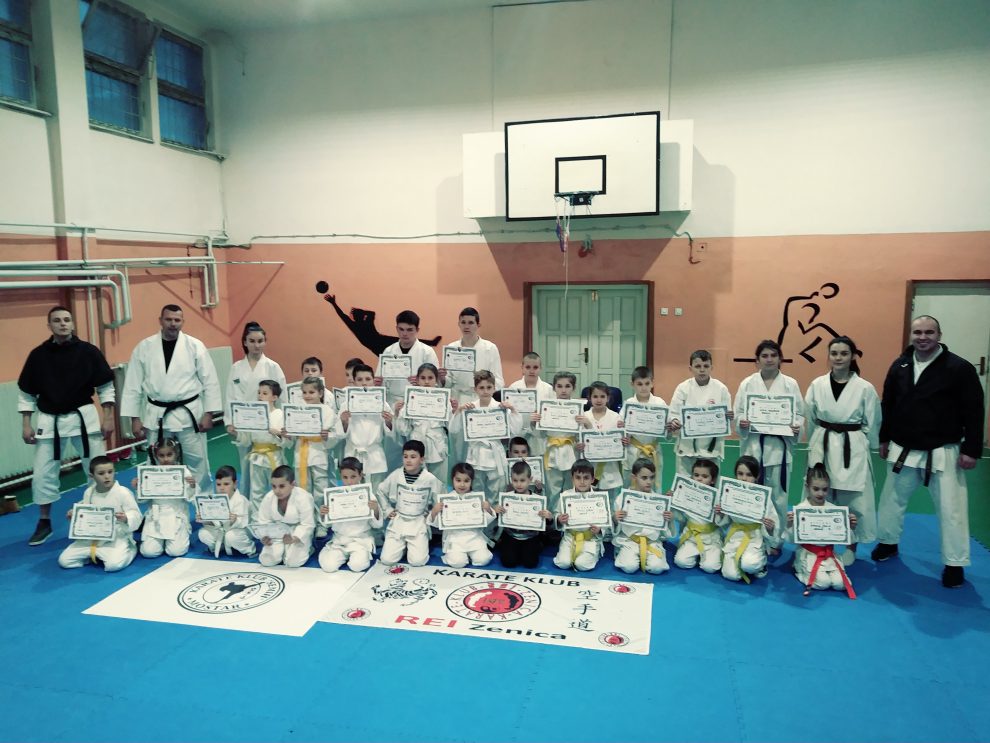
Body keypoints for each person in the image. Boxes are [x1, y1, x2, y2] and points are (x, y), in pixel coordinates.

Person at [872, 315, 985, 589]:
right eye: (918, 332)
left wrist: (971, 449)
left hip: (943, 448)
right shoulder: (900, 365)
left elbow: (974, 409)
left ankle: (955, 563)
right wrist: (884, 438)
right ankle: (888, 542)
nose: (923, 337)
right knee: (891, 501)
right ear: (911, 335)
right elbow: (888, 404)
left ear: (939, 335)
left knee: (951, 509)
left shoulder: (958, 368)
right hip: (903, 447)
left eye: (929, 332)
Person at [17, 306, 116, 545]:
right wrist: (26, 424)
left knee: (98, 468)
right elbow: (27, 393)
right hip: (49, 418)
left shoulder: (88, 352)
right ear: (49, 325)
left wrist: (108, 417)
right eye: (57, 320)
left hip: (83, 417)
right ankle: (44, 521)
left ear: (72, 324)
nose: (62, 324)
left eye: (67, 320)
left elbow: (105, 387)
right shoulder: (38, 355)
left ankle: (103, 512)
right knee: (42, 474)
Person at [120, 304, 222, 493]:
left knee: (197, 461)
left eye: (177, 320)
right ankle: (159, 504)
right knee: (156, 461)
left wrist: (209, 414)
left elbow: (210, 381)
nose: (173, 324)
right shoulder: (144, 347)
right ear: (160, 321)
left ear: (182, 322)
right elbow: (133, 385)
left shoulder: (195, 346)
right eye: (168, 319)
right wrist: (134, 418)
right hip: (157, 415)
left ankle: (204, 503)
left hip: (189, 415)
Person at [804, 336, 880, 566]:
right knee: (819, 493)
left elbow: (873, 421)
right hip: (823, 442)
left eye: (844, 353)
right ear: (829, 356)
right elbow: (810, 416)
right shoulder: (817, 384)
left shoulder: (865, 388)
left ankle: (850, 547)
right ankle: (820, 543)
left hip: (852, 445)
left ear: (853, 356)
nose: (838, 358)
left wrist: (865, 443)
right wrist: (814, 440)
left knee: (852, 498)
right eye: (834, 353)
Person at [734, 339, 804, 555]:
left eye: (773, 355)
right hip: (754, 448)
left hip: (779, 449)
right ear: (757, 360)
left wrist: (796, 426)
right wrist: (741, 422)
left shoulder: (790, 384)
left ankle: (776, 541)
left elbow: (800, 414)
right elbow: (738, 413)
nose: (769, 359)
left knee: (779, 497)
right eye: (764, 356)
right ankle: (752, 535)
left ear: (780, 359)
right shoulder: (747, 384)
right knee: (752, 495)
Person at [224, 322, 286, 498]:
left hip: (268, 423)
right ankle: (246, 502)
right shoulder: (236, 367)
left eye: (260, 341)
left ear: (265, 341)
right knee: (246, 466)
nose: (256, 345)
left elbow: (282, 396)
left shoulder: (272, 366)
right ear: (245, 342)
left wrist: (283, 423)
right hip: (243, 423)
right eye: (252, 341)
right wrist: (229, 422)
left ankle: (277, 500)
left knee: (272, 468)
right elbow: (230, 396)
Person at [450, 370, 522, 505]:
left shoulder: (500, 408)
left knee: (496, 490)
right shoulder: (470, 408)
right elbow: (453, 429)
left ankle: (494, 516)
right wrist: (459, 411)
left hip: (494, 455)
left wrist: (512, 410)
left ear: (494, 388)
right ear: (475, 389)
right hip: (475, 455)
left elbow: (515, 431)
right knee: (476, 489)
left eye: (489, 387)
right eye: (481, 388)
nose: (485, 391)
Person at [58, 456, 141, 572]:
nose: (107, 476)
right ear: (91, 476)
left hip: (116, 538)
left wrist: (126, 518)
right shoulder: (89, 492)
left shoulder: (123, 493)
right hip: (91, 538)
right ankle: (93, 556)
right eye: (101, 473)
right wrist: (75, 516)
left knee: (113, 565)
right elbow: (85, 514)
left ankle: (130, 550)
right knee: (64, 561)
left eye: (110, 472)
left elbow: (136, 514)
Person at [786, 464, 857, 599]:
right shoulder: (801, 509)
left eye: (824, 489)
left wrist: (850, 527)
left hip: (829, 554)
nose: (820, 493)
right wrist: (790, 524)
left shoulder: (834, 510)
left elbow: (845, 539)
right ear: (807, 487)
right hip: (808, 554)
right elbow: (790, 540)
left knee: (840, 584)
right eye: (816, 489)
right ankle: (799, 569)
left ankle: (827, 572)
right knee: (823, 583)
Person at [377, 440, 444, 567]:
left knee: (417, 561)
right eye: (405, 456)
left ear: (422, 459)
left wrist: (431, 513)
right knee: (387, 560)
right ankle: (402, 547)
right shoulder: (396, 475)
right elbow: (381, 490)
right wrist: (387, 510)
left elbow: (439, 501)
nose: (408, 460)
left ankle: (416, 545)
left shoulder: (430, 479)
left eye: (413, 457)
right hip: (399, 521)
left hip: (418, 522)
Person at [669, 350, 732, 476]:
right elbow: (674, 413)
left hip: (711, 449)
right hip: (687, 448)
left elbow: (727, 417)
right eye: (698, 366)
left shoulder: (721, 389)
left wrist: (729, 417)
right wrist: (674, 421)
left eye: (706, 366)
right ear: (690, 368)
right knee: (685, 484)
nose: (702, 370)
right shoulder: (683, 388)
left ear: (711, 368)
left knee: (709, 484)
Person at [235, 380, 290, 520]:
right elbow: (246, 440)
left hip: (274, 456)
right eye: (259, 393)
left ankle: (279, 517)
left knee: (278, 489)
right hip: (256, 456)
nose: (260, 396)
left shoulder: (280, 414)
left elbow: (288, 442)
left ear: (275, 397)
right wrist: (237, 432)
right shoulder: (252, 414)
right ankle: (258, 519)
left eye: (265, 393)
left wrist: (277, 433)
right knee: (256, 490)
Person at [716, 456, 776, 583]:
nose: (744, 478)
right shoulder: (729, 492)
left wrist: (770, 527)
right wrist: (720, 514)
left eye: (749, 475)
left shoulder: (763, 496)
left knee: (749, 565)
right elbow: (725, 521)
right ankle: (738, 562)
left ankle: (761, 563)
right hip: (735, 536)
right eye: (740, 474)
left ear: (757, 476)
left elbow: (772, 525)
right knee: (730, 575)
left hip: (754, 537)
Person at [318, 457, 382, 573]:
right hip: (339, 541)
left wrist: (375, 509)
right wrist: (323, 514)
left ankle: (360, 555)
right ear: (341, 476)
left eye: (353, 477)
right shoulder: (335, 496)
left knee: (357, 566)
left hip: (360, 541)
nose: (349, 481)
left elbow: (377, 525)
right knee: (328, 567)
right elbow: (327, 524)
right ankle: (333, 553)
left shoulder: (368, 495)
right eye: (345, 477)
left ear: (360, 475)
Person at [137, 437, 196, 558]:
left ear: (176, 454)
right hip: (156, 516)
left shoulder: (183, 472)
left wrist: (192, 486)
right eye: (161, 455)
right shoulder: (149, 473)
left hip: (176, 516)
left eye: (169, 455)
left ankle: (181, 535)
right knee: (149, 552)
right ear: (156, 456)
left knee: (176, 551)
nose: (165, 459)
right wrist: (139, 487)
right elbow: (142, 500)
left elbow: (189, 499)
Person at [339, 363, 394, 493]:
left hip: (374, 455)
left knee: (376, 493)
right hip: (353, 454)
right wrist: (344, 422)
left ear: (373, 381)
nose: (364, 383)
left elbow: (390, 432)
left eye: (368, 379)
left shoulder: (383, 404)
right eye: (360, 379)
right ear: (353, 382)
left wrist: (388, 421)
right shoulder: (345, 405)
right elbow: (340, 433)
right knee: (354, 493)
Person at [430, 462, 496, 568]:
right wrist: (434, 511)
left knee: (483, 559)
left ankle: (471, 555)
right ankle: (461, 556)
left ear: (471, 481)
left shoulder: (477, 498)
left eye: (466, 481)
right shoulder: (447, 499)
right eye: (458, 480)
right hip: (455, 539)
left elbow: (487, 519)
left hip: (474, 537)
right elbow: (438, 523)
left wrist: (488, 508)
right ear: (452, 480)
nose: (462, 484)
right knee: (458, 563)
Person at [393, 363, 450, 484]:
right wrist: (399, 413)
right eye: (423, 378)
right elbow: (404, 430)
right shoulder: (410, 399)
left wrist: (454, 411)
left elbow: (450, 426)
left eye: (430, 378)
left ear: (436, 380)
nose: (426, 382)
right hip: (417, 445)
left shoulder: (443, 399)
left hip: (438, 445)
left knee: (439, 483)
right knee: (417, 483)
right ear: (418, 380)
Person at [613, 458, 670, 575]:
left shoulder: (659, 500)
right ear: (634, 477)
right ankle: (624, 552)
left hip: (651, 542)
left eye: (652, 477)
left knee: (657, 568)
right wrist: (615, 518)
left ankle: (652, 556)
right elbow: (615, 525)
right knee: (629, 567)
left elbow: (664, 531)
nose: (649, 482)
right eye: (644, 478)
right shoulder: (623, 498)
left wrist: (668, 519)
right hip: (630, 541)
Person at [537, 372, 585, 511]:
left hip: (571, 450)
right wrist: (535, 422)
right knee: (552, 488)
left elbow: (583, 433)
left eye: (567, 386)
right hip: (552, 449)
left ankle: (570, 515)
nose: (563, 390)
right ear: (554, 388)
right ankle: (553, 517)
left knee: (571, 487)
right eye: (559, 386)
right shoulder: (546, 407)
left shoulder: (577, 408)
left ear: (573, 388)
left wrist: (582, 439)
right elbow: (540, 433)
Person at [439, 307, 505, 403]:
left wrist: (485, 391)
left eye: (470, 323)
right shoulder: (451, 348)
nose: (466, 326)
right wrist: (442, 378)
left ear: (478, 325)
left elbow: (499, 381)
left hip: (482, 399)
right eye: (463, 322)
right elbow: (449, 382)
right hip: (457, 399)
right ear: (459, 324)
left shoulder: (490, 348)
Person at [495, 460, 552, 569]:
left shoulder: (537, 499)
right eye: (515, 480)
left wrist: (549, 517)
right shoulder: (507, 498)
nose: (519, 484)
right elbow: (501, 518)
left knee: (530, 564)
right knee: (508, 563)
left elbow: (546, 521)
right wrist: (497, 511)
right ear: (511, 480)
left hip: (530, 537)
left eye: (522, 480)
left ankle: (538, 545)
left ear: (530, 480)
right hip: (511, 535)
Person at [256, 465, 315, 568]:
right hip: (276, 532)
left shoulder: (303, 497)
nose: (277, 491)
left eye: (282, 486)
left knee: (293, 563)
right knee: (267, 561)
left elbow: (307, 524)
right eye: (274, 486)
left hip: (297, 532)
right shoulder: (269, 498)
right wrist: (265, 537)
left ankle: (309, 549)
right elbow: (263, 522)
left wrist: (294, 538)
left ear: (293, 484)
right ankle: (282, 550)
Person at [375, 310, 439, 405]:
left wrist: (420, 382)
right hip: (392, 401)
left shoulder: (427, 352)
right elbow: (380, 380)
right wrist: (377, 383)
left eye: (409, 330)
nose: (405, 333)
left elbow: (435, 382)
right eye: (401, 329)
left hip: (418, 401)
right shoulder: (388, 351)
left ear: (417, 330)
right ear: (396, 329)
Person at [552, 459, 605, 571]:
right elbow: (556, 513)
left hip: (590, 539)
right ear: (572, 478)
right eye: (578, 477)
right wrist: (559, 519)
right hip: (570, 537)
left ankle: (595, 553)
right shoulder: (566, 495)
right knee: (563, 563)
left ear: (592, 479)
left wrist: (599, 529)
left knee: (581, 565)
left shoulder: (599, 498)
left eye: (586, 478)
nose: (582, 482)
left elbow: (605, 521)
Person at [620, 366, 669, 486]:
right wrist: (623, 436)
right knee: (631, 485)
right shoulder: (629, 404)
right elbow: (621, 429)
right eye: (639, 384)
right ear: (632, 384)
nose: (643, 387)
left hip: (653, 450)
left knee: (652, 485)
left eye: (647, 383)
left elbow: (668, 433)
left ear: (652, 383)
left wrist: (669, 427)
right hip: (633, 451)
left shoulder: (660, 403)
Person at [672, 459, 722, 573]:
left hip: (710, 539)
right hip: (691, 537)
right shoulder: (686, 493)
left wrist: (719, 513)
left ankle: (711, 554)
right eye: (696, 475)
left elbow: (722, 523)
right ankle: (697, 554)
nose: (699, 479)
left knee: (710, 568)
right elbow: (680, 517)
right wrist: (673, 500)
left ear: (713, 480)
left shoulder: (717, 496)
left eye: (705, 476)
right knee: (681, 562)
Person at [577, 380, 623, 502]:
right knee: (590, 504)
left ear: (608, 398)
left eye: (602, 396)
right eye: (595, 396)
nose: (599, 400)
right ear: (589, 398)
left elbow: (620, 443)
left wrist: (623, 441)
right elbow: (578, 439)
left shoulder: (616, 417)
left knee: (611, 504)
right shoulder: (583, 416)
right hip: (589, 468)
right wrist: (579, 445)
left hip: (610, 470)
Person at [196, 465, 255, 558]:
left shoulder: (241, 500)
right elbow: (213, 523)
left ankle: (250, 549)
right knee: (203, 534)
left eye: (226, 484)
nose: (222, 488)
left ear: (235, 484)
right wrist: (204, 519)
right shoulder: (214, 500)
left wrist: (234, 520)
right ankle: (221, 546)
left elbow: (243, 523)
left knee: (230, 536)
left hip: (239, 532)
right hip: (221, 531)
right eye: (218, 484)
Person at [507, 351, 555, 462]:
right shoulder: (513, 387)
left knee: (538, 465)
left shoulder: (548, 390)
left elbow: (552, 415)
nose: (532, 371)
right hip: (518, 436)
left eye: (535, 367)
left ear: (540, 368)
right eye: (528, 367)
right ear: (522, 368)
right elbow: (509, 414)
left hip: (539, 437)